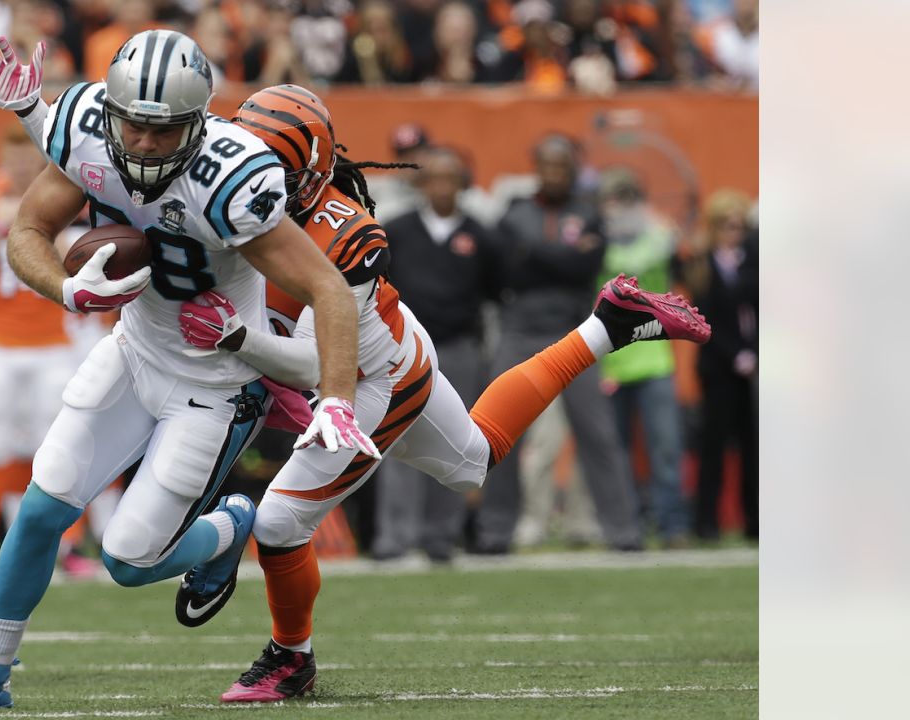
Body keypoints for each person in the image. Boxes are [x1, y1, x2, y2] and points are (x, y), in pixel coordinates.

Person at [0, 31, 376, 711]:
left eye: (164, 129)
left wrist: (337, 399)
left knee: (127, 559)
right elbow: (24, 234)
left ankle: (229, 526)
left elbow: (326, 287)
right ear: (111, 113)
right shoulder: (85, 132)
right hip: (135, 350)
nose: (143, 143)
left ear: (198, 123)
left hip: (213, 383)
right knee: (39, 507)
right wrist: (67, 291)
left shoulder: (235, 179)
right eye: (134, 125)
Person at [172, 85, 712, 702]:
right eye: (248, 160)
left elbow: (317, 364)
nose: (253, 180)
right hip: (401, 344)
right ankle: (606, 326)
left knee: (279, 520)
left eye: (272, 168)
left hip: (367, 380)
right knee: (476, 457)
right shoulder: (235, 197)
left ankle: (289, 659)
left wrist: (237, 336)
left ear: (310, 171)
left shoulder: (341, 236)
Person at [470, 134, 643, 555]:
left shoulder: (588, 214)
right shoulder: (516, 211)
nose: (554, 174)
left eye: (562, 167)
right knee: (496, 432)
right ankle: (495, 532)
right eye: (547, 166)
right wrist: (558, 257)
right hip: (519, 329)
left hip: (574, 331)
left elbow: (586, 265)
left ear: (572, 170)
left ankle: (623, 532)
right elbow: (508, 269)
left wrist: (534, 253)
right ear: (536, 168)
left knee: (598, 432)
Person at [0, 127, 102, 577]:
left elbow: (78, 261)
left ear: (40, 161)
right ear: (2, 158)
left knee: (55, 445)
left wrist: (33, 223)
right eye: (12, 159)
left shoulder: (62, 194)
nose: (20, 168)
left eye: (27, 159)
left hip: (54, 344)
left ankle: (68, 546)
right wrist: (1, 228)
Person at [371, 145, 500, 563]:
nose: (443, 187)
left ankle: (441, 535)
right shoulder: (399, 229)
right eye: (436, 178)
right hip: (405, 349)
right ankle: (395, 534)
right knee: (393, 440)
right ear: (422, 185)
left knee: (455, 440)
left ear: (463, 185)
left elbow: (496, 290)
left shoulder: (479, 234)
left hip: (459, 346)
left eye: (452, 178)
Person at [596, 168, 689, 547]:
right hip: (611, 359)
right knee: (615, 452)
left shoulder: (658, 235)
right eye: (612, 200)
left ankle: (672, 526)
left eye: (625, 199)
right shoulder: (601, 240)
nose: (618, 207)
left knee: (665, 447)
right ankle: (626, 526)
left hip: (654, 359)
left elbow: (662, 256)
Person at [681, 189, 757, 541]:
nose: (734, 232)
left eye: (739, 226)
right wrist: (735, 354)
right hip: (717, 365)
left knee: (753, 445)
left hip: (753, 363)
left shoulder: (752, 259)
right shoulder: (703, 263)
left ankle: (755, 521)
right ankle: (705, 522)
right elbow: (704, 317)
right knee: (713, 445)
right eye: (727, 226)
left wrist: (753, 352)